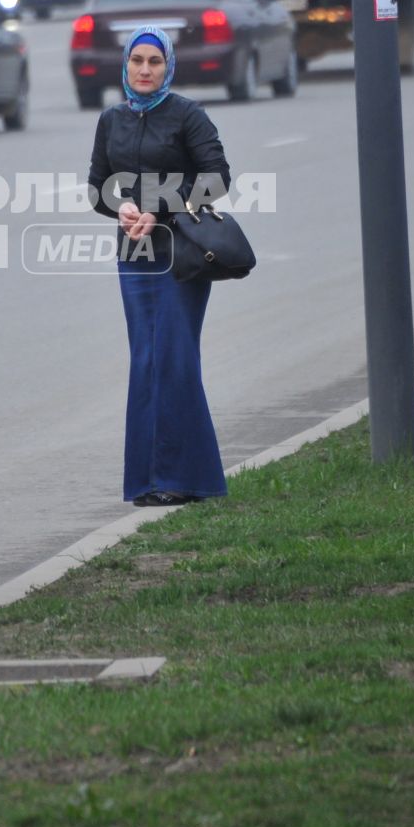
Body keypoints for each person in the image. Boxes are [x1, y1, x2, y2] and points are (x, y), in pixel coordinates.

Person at [86, 27, 232, 508]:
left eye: (154, 61)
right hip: (134, 255)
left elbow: (216, 178)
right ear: (124, 66)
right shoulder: (112, 120)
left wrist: (160, 209)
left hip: (182, 252)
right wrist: (122, 209)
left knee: (174, 357)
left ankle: (184, 477)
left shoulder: (188, 115)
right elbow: (98, 187)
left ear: (169, 66)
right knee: (146, 360)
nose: (145, 70)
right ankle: (148, 481)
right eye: (137, 61)